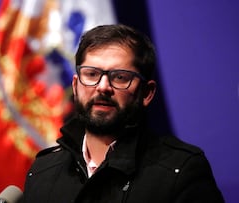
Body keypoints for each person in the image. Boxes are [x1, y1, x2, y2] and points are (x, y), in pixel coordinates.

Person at [21, 24, 224, 203]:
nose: (103, 87)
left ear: (147, 93)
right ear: (75, 86)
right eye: (91, 74)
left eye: (119, 77)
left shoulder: (181, 170)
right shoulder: (43, 170)